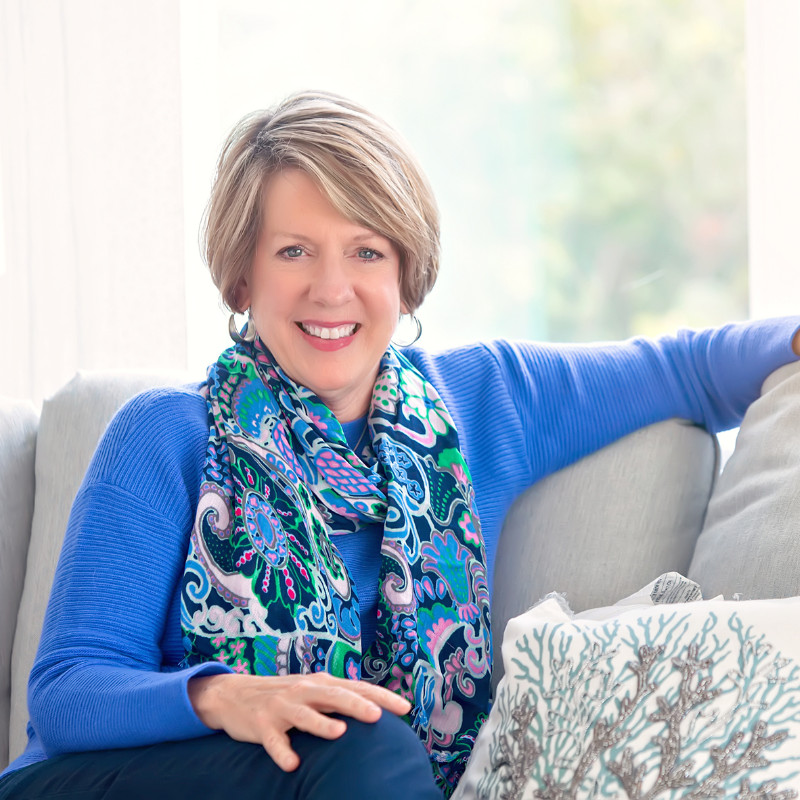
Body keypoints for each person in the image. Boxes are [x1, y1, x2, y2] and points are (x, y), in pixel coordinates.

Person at [1, 90, 798, 800]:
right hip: (111, 780)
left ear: (406, 277)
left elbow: (689, 369)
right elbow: (69, 692)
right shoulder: (165, 433)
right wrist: (224, 697)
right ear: (241, 279)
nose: (331, 288)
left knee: (363, 744)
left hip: (344, 780)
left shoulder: (482, 402)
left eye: (366, 251)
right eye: (293, 251)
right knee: (356, 736)